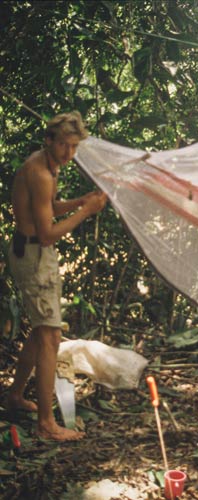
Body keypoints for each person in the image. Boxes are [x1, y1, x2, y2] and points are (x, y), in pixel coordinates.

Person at [6, 111, 107, 441]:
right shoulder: (40, 172)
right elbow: (48, 233)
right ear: (48, 140)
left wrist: (79, 201)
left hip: (33, 252)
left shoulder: (49, 165)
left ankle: (15, 396)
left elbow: (47, 209)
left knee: (40, 333)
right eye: (63, 144)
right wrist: (85, 211)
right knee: (50, 337)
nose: (68, 153)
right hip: (35, 254)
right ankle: (47, 424)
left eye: (74, 146)